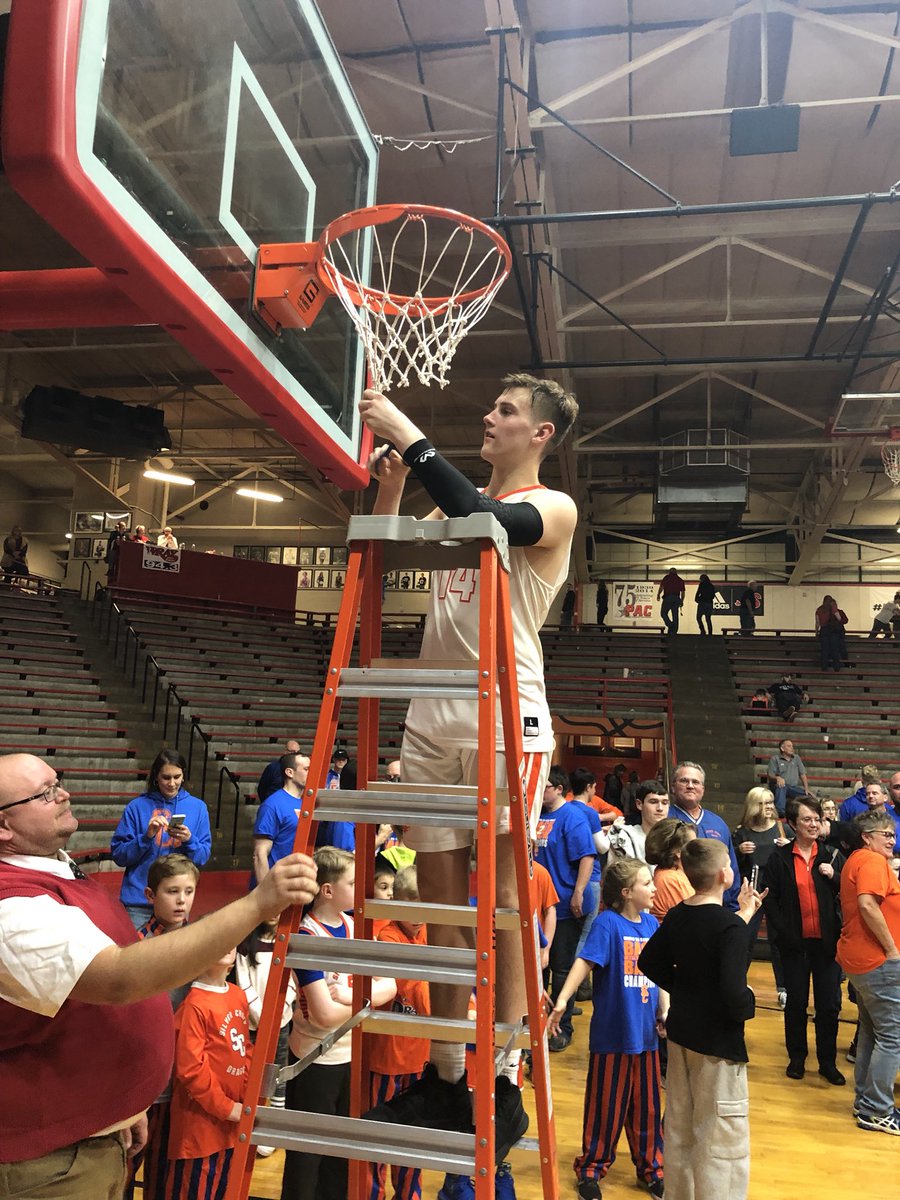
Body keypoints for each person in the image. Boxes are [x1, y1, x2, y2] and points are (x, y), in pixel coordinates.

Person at [357, 373, 578, 1152]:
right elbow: (381, 557)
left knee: (509, 903)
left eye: (506, 410)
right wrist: (391, 487)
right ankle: (447, 1078)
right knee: (443, 906)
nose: (490, 416)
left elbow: (488, 520)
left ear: (541, 433)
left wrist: (408, 433)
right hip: (431, 714)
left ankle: (506, 1076)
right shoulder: (452, 503)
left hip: (506, 717)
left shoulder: (553, 506)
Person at [0, 752, 317, 1196]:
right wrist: (256, 905)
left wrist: (121, 1108)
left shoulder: (50, 864)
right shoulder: (11, 907)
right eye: (45, 793)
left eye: (58, 782)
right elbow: (120, 978)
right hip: (50, 1160)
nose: (64, 794)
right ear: (4, 826)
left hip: (91, 1135)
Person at [638, 838, 763, 1200]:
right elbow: (733, 993)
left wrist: (688, 990)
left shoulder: (680, 913)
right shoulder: (729, 928)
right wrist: (748, 1004)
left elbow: (650, 961)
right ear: (725, 874)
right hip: (718, 1044)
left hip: (683, 1034)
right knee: (721, 1137)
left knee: (680, 1127)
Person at [548, 858, 666, 1200]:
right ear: (627, 892)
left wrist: (665, 1009)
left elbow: (661, 974)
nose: (654, 888)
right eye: (647, 883)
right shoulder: (607, 924)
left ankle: (652, 1169)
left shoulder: (652, 925)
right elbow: (584, 962)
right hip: (613, 1037)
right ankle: (591, 1168)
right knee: (606, 1108)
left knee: (647, 1108)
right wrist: (562, 1000)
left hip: (646, 1037)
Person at [282, 848, 395, 1200]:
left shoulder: (355, 925)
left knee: (340, 1158)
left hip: (351, 1055)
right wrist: (364, 1000)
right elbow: (324, 1015)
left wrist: (348, 997)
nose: (363, 889)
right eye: (353, 883)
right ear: (328, 891)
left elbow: (391, 985)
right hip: (314, 1061)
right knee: (306, 1159)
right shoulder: (307, 935)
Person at [126, 854, 199, 1200]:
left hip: (185, 1079)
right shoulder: (135, 946)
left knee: (166, 1174)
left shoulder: (204, 943)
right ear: (150, 895)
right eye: (172, 891)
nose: (182, 900)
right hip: (143, 1079)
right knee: (126, 1166)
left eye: (189, 891)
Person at [762, 796, 845, 1085]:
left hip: (827, 945)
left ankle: (827, 1062)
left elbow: (848, 889)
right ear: (793, 824)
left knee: (828, 1006)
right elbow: (770, 898)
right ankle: (796, 1058)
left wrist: (834, 877)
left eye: (817, 819)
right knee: (796, 1004)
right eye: (807, 819)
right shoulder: (780, 858)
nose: (813, 824)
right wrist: (784, 931)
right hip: (794, 945)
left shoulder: (832, 855)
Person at [164, 945, 250, 1199]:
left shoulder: (237, 994)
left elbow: (245, 1049)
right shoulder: (194, 1004)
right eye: (218, 939)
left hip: (232, 1124)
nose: (226, 944)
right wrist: (226, 1108)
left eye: (231, 939)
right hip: (199, 1129)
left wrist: (246, 1096)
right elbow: (191, 1070)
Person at [367, 865, 430, 1200]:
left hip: (418, 1055)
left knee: (413, 1136)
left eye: (424, 909)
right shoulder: (387, 936)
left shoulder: (428, 930)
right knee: (379, 1134)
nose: (418, 918)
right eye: (411, 908)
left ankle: (409, 1195)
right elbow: (416, 991)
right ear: (396, 902)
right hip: (385, 1056)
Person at [835, 808, 900, 1135]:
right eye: (885, 834)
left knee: (872, 1033)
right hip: (878, 962)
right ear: (866, 837)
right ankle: (877, 1109)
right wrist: (892, 950)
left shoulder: (858, 860)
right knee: (892, 1037)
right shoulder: (872, 861)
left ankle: (866, 1102)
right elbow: (867, 904)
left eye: (893, 834)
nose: (891, 839)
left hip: (862, 960)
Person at [111, 750, 212, 928]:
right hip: (138, 901)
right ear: (156, 777)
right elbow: (119, 855)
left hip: (176, 900)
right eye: (166, 777)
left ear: (183, 775)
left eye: (177, 777)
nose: (172, 783)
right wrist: (146, 837)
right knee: (137, 946)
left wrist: (189, 840)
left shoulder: (198, 808)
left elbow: (202, 857)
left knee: (175, 946)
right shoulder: (137, 807)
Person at [535, 765, 598, 1051]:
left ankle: (562, 1026)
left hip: (563, 905)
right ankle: (536, 1025)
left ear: (559, 789)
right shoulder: (535, 813)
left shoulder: (572, 816)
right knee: (538, 970)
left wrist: (579, 892)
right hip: (537, 906)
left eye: (545, 786)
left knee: (562, 968)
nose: (540, 791)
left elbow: (587, 856)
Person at [235, 917, 298, 1158]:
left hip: (280, 1021)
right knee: (252, 1073)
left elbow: (293, 981)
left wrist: (277, 1012)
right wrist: (262, 1015)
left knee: (277, 1072)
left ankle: (274, 1126)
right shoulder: (246, 942)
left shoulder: (291, 941)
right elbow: (244, 984)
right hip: (253, 1023)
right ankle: (252, 1124)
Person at [733, 786, 791, 1006]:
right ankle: (737, 983)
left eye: (770, 802)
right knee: (746, 938)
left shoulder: (783, 828)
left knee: (779, 941)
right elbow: (732, 865)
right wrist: (739, 851)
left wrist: (790, 846)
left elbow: (799, 855)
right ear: (753, 806)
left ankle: (784, 988)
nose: (768, 807)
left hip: (778, 892)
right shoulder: (742, 832)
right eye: (763, 803)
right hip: (752, 891)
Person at [668, 761, 741, 909]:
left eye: (695, 782)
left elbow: (731, 866)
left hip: (719, 906)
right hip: (679, 904)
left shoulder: (718, 823)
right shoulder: (666, 819)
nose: (690, 786)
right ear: (673, 787)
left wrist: (733, 907)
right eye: (684, 781)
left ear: (703, 789)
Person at [252, 750, 311, 884]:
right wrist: (265, 890)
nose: (311, 773)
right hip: (276, 883)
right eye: (306, 769)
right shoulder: (272, 805)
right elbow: (260, 853)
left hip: (296, 881)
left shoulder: (306, 803)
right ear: (290, 772)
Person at [608, 781, 670, 866]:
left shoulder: (675, 838)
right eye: (653, 802)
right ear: (639, 804)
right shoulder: (625, 836)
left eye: (665, 803)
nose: (660, 808)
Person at [644, 819, 696, 919]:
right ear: (678, 851)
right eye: (694, 844)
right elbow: (697, 917)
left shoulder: (672, 874)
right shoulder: (670, 879)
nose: (699, 848)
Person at [766, 738, 809, 818]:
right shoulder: (775, 759)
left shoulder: (796, 758)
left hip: (793, 788)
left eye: (792, 746)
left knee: (808, 796)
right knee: (782, 786)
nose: (792, 748)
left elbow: (802, 774)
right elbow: (770, 775)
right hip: (779, 786)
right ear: (782, 748)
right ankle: (780, 812)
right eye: (789, 746)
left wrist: (806, 789)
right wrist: (777, 778)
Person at [255, 738, 301, 804]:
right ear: (285, 751)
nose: (295, 755)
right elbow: (262, 789)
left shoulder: (300, 770)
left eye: (297, 752)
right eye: (293, 752)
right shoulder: (273, 768)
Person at [815, 594, 847, 671]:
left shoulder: (819, 609)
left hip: (823, 631)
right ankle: (836, 667)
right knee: (834, 649)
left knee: (824, 650)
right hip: (833, 631)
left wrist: (816, 632)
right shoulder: (833, 607)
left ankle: (824, 667)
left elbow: (817, 623)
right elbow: (839, 618)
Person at [657, 567, 685, 635]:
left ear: (669, 572)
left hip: (668, 598)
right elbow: (683, 592)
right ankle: (674, 631)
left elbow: (661, 587)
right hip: (676, 598)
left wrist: (658, 594)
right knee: (675, 615)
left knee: (663, 613)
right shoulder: (680, 580)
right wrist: (681, 600)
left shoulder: (666, 578)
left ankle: (670, 625)